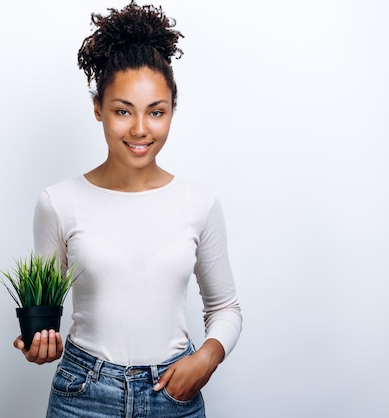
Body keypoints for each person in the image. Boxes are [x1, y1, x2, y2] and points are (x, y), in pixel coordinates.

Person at [13, 2, 242, 416]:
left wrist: (207, 358)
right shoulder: (58, 203)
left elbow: (225, 308)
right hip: (84, 395)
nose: (140, 129)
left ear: (172, 111)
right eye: (123, 111)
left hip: (174, 392)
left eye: (156, 112)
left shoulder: (199, 203)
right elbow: (42, 310)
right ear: (98, 108)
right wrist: (39, 344)